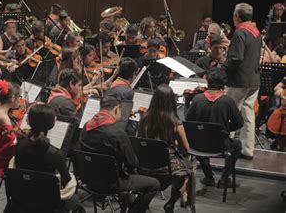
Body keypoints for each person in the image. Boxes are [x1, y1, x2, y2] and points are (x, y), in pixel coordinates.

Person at [80, 96, 160, 213]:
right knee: (154, 184)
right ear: (117, 109)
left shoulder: (86, 126)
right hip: (111, 183)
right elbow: (132, 164)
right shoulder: (117, 133)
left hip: (89, 180)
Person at [12, 104, 84, 212]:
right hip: (48, 202)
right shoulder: (55, 153)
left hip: (24, 196)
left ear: (29, 121)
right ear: (52, 124)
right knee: (75, 201)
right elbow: (66, 181)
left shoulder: (19, 146)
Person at [137, 84, 195, 212]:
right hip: (166, 165)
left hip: (145, 163)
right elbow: (186, 147)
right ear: (171, 102)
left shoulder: (144, 119)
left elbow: (139, 140)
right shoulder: (175, 122)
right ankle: (174, 200)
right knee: (190, 169)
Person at [186, 68, 243, 188]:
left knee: (199, 141)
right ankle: (224, 179)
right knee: (237, 145)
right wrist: (226, 129)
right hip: (221, 145)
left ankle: (208, 177)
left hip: (200, 145)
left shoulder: (197, 99)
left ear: (208, 82)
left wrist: (187, 102)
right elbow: (239, 123)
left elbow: (188, 121)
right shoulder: (228, 100)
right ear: (223, 84)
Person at [224, 3, 262, 160]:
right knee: (248, 114)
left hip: (239, 81)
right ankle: (247, 149)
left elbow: (236, 58)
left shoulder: (240, 33)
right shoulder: (256, 32)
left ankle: (226, 146)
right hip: (254, 80)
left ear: (237, 16)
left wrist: (223, 68)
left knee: (228, 112)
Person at [0, 80, 21, 176]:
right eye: (19, 97)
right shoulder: (3, 118)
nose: (20, 100)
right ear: (13, 98)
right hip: (0, 157)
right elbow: (12, 143)